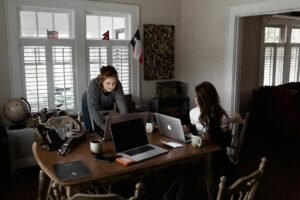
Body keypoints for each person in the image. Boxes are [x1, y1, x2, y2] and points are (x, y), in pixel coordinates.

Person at [163, 81, 237, 200]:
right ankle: (170, 196)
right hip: (198, 151)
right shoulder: (194, 112)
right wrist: (188, 128)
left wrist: (212, 136)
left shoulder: (221, 116)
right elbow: (197, 129)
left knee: (187, 170)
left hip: (215, 157)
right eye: (196, 95)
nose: (196, 99)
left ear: (207, 99)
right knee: (185, 169)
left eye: (199, 97)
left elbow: (227, 140)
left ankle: (174, 196)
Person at [81, 65, 128, 135]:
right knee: (92, 130)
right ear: (102, 81)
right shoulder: (93, 84)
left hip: (106, 103)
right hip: (88, 105)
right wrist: (107, 129)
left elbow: (122, 104)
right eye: (108, 83)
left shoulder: (118, 84)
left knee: (111, 127)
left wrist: (126, 122)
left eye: (113, 83)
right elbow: (93, 109)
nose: (111, 86)